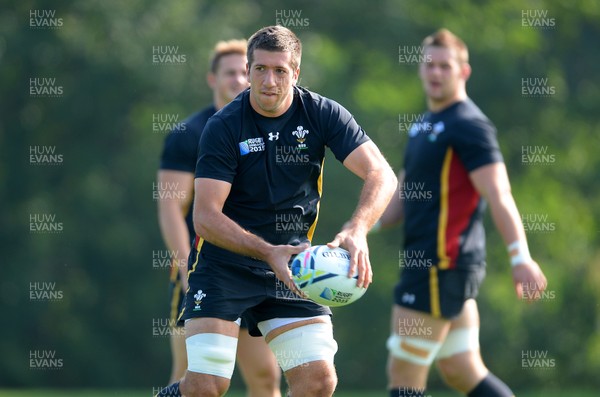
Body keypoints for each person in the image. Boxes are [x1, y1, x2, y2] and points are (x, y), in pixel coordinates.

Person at [157, 25, 397, 397]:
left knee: (318, 381)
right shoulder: (223, 126)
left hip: (293, 265)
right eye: (260, 69)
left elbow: (381, 174)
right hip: (224, 266)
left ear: (296, 72)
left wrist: (358, 229)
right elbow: (204, 216)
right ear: (249, 70)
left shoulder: (321, 114)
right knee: (205, 387)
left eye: (280, 70)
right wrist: (268, 251)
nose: (269, 81)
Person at [378, 29, 548, 397]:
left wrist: (521, 257)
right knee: (461, 369)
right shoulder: (423, 124)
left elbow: (499, 193)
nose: (436, 73)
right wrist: (356, 229)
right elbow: (401, 199)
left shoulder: (469, 124)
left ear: (464, 72)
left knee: (403, 375)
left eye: (445, 65)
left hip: (440, 266)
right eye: (429, 65)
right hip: (435, 267)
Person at [156, 39, 282, 397]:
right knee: (192, 377)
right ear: (212, 78)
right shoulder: (189, 134)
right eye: (230, 72)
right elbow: (170, 207)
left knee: (265, 377)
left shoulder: (266, 129)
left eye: (246, 71)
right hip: (203, 268)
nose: (239, 79)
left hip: (252, 269)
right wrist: (185, 265)